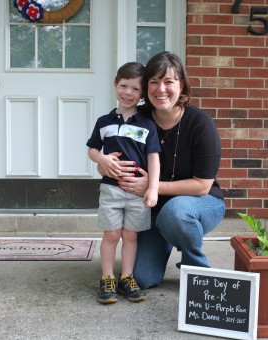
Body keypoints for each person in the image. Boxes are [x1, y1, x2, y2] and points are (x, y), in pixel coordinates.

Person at [99, 51, 225, 289]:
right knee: (142, 278)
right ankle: (168, 237)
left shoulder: (200, 124)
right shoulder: (138, 119)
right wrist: (103, 163)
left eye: (168, 81)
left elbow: (202, 185)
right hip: (152, 208)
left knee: (176, 212)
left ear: (182, 85)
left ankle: (196, 270)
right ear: (146, 87)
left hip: (200, 202)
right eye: (154, 82)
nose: (161, 89)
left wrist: (152, 186)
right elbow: (112, 153)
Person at [86, 62, 161, 304]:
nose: (128, 93)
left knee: (130, 235)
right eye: (123, 86)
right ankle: (107, 277)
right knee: (111, 234)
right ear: (115, 85)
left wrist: (153, 188)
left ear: (142, 94)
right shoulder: (104, 121)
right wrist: (102, 158)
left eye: (135, 89)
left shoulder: (147, 124)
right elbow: (92, 149)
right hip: (111, 188)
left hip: (137, 192)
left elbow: (153, 158)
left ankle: (126, 277)